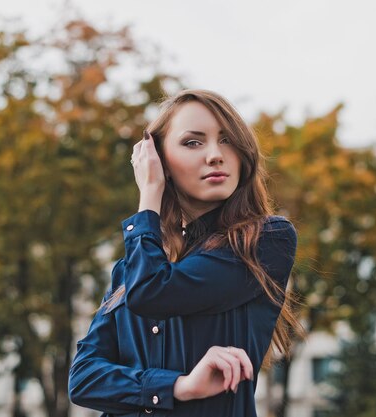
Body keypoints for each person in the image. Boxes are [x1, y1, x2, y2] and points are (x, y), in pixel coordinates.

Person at [69, 89, 303, 417]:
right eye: (193, 142)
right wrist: (179, 386)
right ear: (159, 161)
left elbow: (153, 292)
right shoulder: (131, 267)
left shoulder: (264, 241)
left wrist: (149, 197)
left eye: (227, 140)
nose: (215, 155)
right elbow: (83, 379)